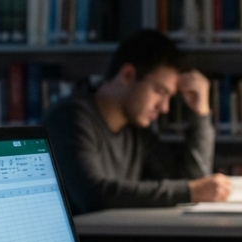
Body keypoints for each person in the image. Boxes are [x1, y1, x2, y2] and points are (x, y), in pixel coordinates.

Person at [43, 29, 230, 214]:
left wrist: (200, 114)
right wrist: (190, 191)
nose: (164, 108)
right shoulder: (69, 118)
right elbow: (95, 195)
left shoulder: (135, 129)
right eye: (160, 91)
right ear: (127, 75)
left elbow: (188, 180)